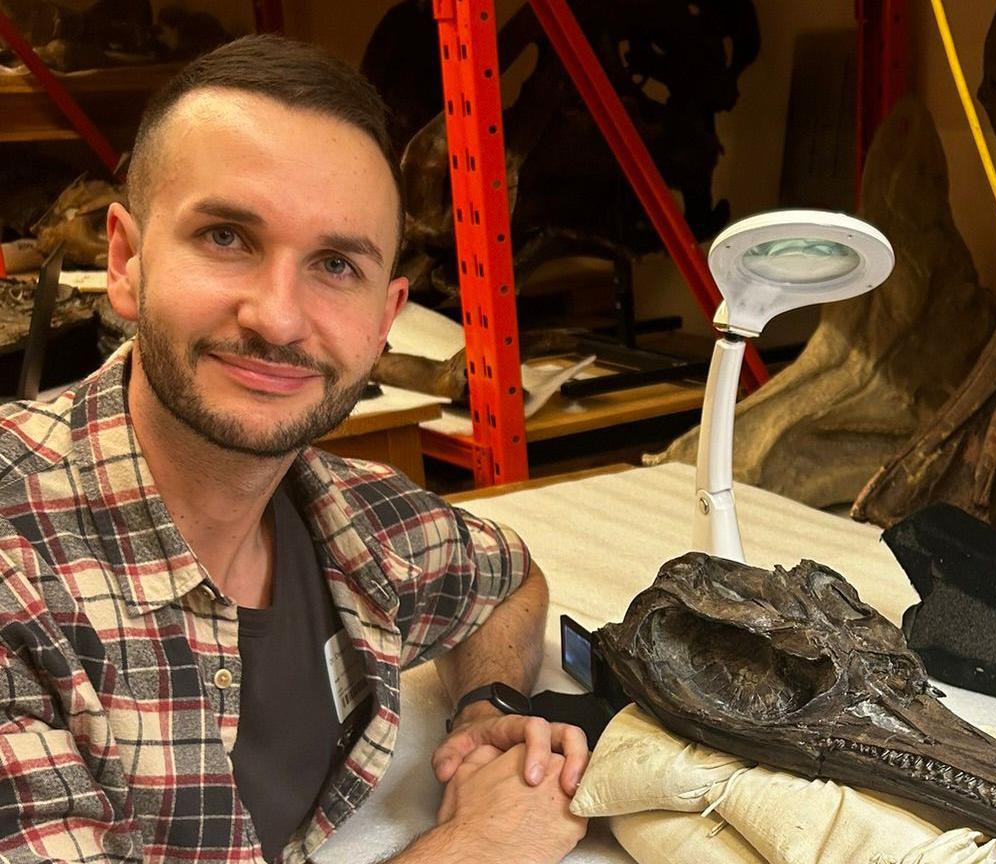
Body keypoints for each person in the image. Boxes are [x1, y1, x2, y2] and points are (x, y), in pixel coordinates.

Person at [0, 35, 588, 864]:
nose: (278, 318)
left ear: (384, 321)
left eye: (335, 264)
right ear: (127, 261)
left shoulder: (353, 524)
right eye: (227, 238)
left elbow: (505, 579)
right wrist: (479, 844)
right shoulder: (17, 572)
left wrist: (487, 710)